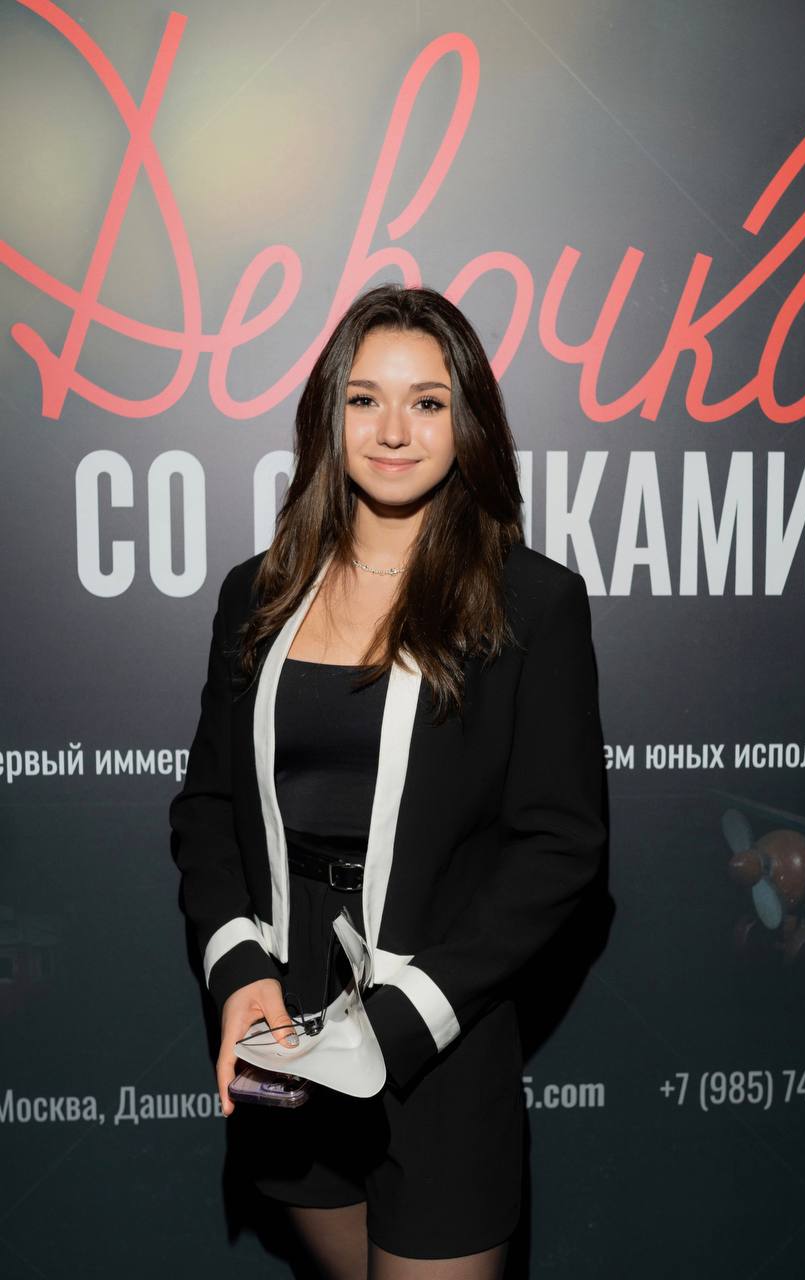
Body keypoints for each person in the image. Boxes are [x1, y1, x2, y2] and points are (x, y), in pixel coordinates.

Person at [169, 282, 607, 1279]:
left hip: (440, 1035)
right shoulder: (257, 591)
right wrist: (239, 967)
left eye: (427, 400)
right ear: (329, 413)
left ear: (468, 421)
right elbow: (207, 807)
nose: (393, 430)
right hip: (285, 1033)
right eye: (364, 398)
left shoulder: (533, 602)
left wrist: (403, 1015)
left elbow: (561, 845)